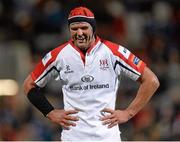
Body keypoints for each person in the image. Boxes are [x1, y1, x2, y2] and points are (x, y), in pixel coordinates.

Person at [23, 6, 160, 141]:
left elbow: (151, 81)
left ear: (93, 28)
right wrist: (50, 112)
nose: (79, 33)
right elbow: (29, 85)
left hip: (107, 137)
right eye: (74, 28)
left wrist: (129, 113)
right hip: (73, 138)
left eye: (84, 28)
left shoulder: (113, 52)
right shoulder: (58, 55)